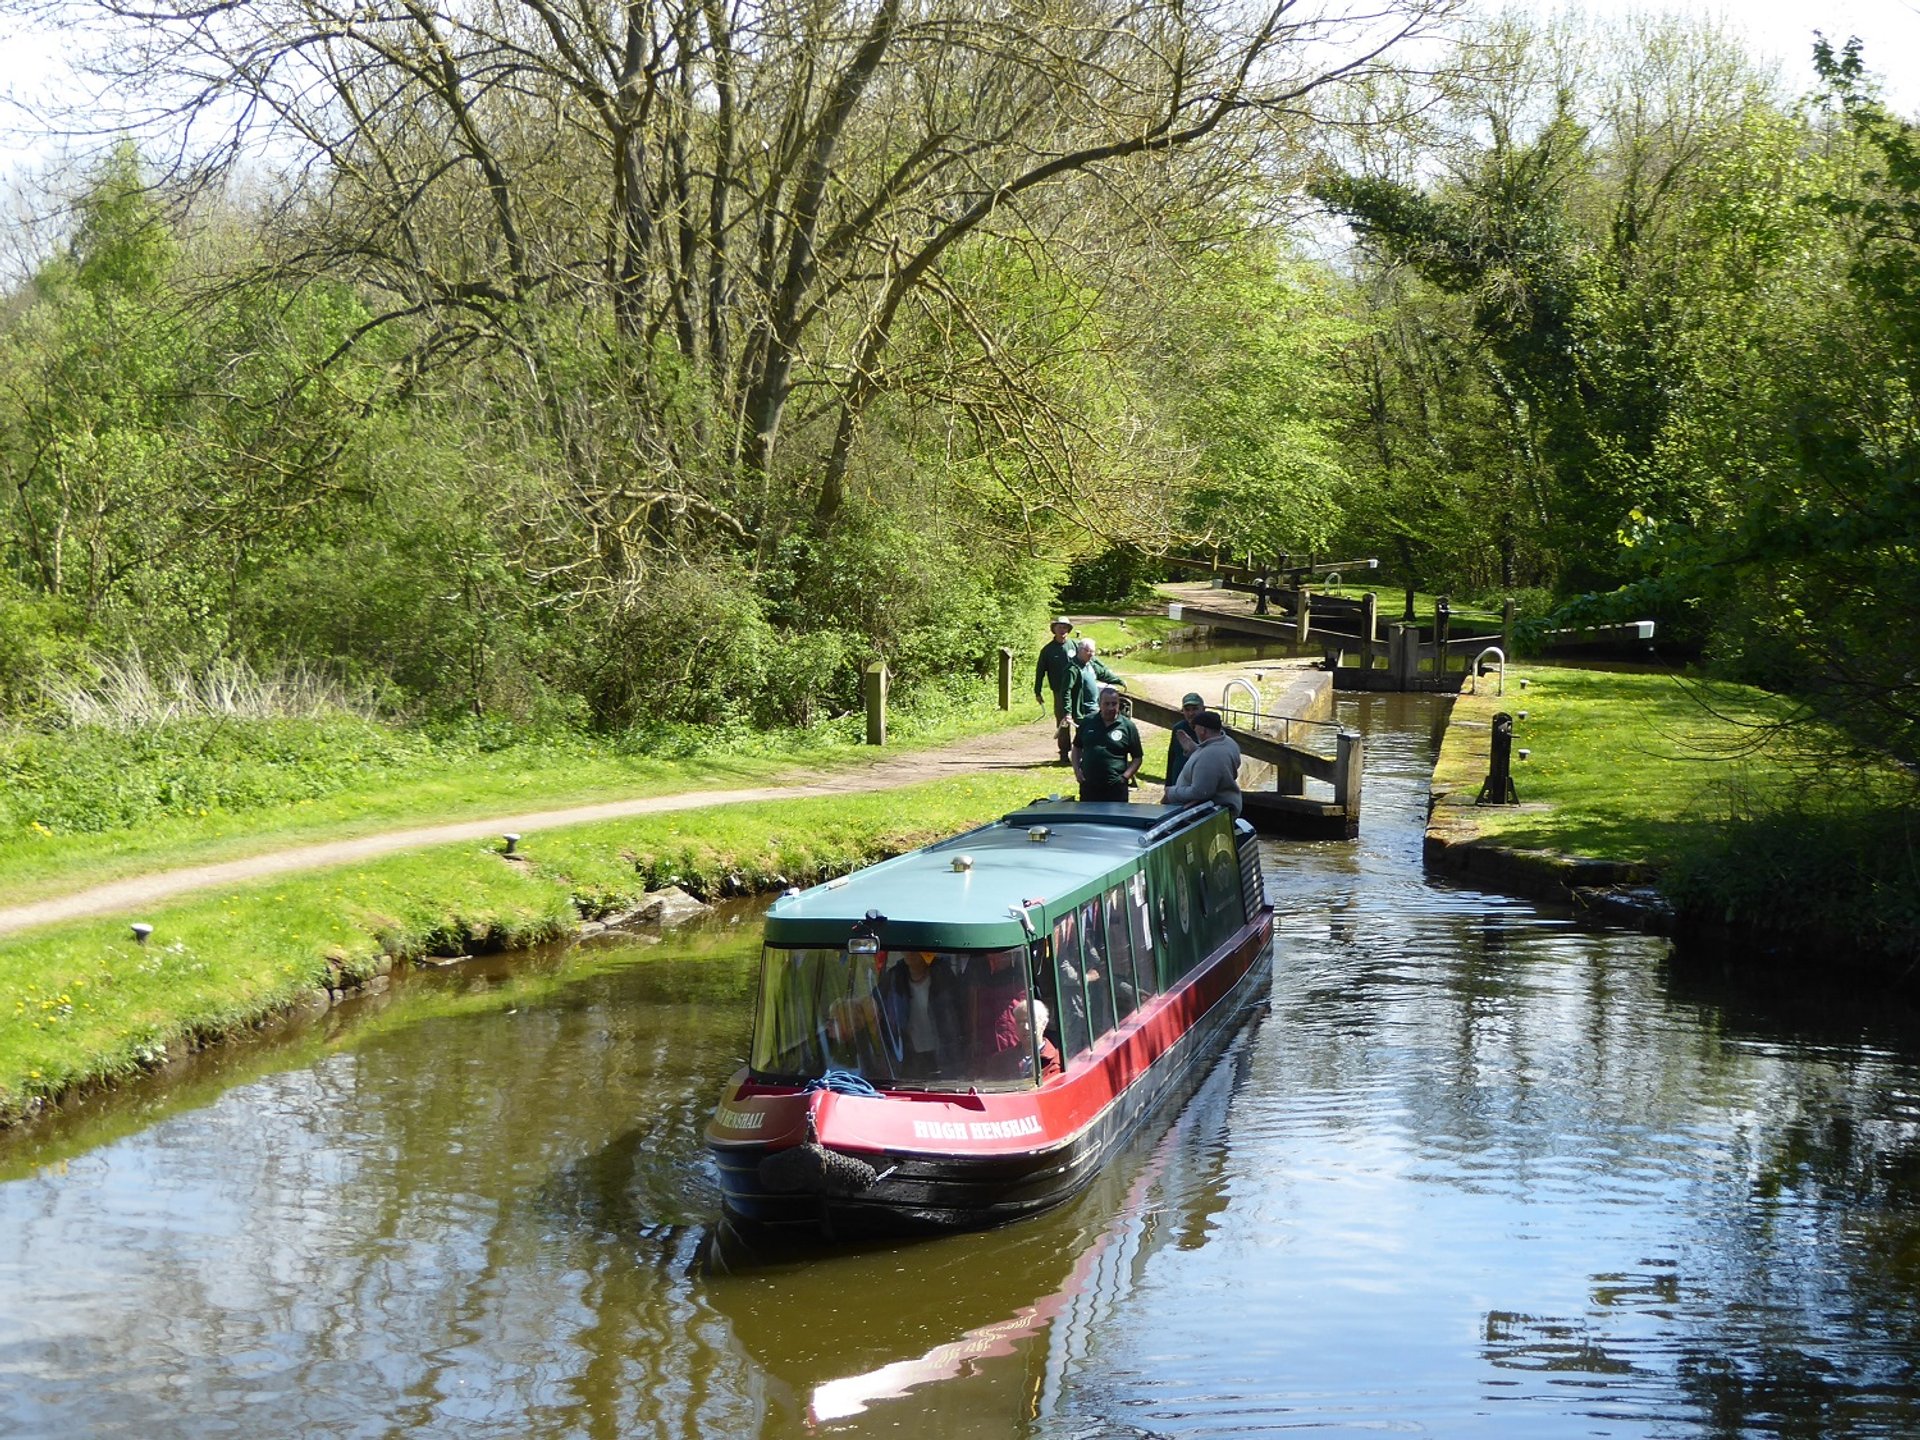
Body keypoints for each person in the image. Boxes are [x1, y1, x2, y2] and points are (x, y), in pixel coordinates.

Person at [879, 951, 966, 1078]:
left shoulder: (943, 976)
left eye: (915, 950)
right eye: (906, 949)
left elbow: (959, 1015)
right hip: (907, 1057)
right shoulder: (894, 977)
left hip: (943, 1056)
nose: (910, 953)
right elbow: (874, 1005)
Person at [1162, 709, 1243, 815]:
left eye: (1195, 728)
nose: (1194, 731)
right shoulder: (1228, 742)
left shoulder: (1211, 755)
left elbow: (1200, 792)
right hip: (1224, 804)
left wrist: (1171, 793)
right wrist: (1193, 749)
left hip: (1209, 812)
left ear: (1202, 730)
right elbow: (1213, 766)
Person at [1071, 685, 1143, 803]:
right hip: (1089, 786)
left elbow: (1137, 757)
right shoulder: (1088, 722)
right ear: (1100, 704)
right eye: (1107, 704)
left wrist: (1125, 777)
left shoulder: (1128, 726)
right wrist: (1077, 771)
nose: (1110, 707)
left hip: (1116, 788)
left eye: (1114, 703)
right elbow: (1077, 747)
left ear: (1119, 704)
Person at [1033, 617, 1078, 763]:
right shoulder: (1047, 650)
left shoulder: (1075, 646)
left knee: (1080, 720)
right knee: (1063, 721)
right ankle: (1064, 753)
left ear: (1068, 630)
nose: (1062, 630)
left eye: (1065, 627)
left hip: (1076, 690)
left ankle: (1081, 752)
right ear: (1054, 629)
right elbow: (1040, 672)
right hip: (1059, 691)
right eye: (1059, 627)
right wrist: (1037, 691)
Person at [1064, 638, 1125, 723]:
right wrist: (1067, 712)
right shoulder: (1072, 669)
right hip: (1083, 712)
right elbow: (1066, 692)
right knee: (1085, 734)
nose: (1091, 655)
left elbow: (1104, 674)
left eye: (1093, 652)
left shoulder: (1090, 664)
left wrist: (1119, 681)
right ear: (1080, 650)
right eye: (1089, 651)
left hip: (1095, 708)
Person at [1165, 691, 1205, 785]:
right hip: (1178, 779)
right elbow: (1172, 757)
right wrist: (1168, 785)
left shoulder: (1210, 730)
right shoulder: (1178, 728)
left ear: (1203, 709)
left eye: (1195, 709)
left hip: (1199, 780)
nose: (1191, 713)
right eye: (1187, 710)